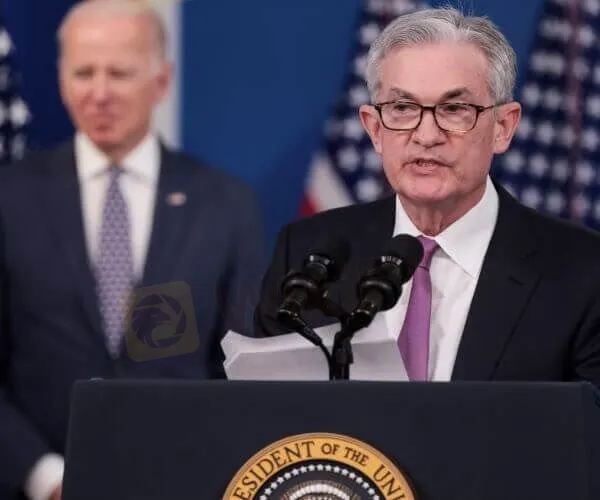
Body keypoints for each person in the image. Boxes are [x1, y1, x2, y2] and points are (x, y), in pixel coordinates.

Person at [0, 1, 267, 499]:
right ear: (61, 80)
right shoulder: (9, 200)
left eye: (119, 73)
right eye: (84, 73)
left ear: (161, 82)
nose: (99, 93)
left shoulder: (226, 205)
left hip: (185, 482)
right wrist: (45, 476)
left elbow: (245, 369)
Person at [255, 7, 600, 385]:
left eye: (454, 109)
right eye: (403, 108)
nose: (426, 135)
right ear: (374, 129)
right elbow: (268, 410)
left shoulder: (584, 273)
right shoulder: (305, 255)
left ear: (503, 127)